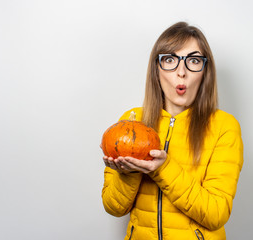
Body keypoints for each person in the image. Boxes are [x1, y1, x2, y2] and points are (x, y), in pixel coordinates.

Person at [101, 21, 243, 240]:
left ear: (205, 71)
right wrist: (128, 172)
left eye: (193, 60)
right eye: (169, 60)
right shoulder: (131, 122)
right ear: (156, 70)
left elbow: (216, 213)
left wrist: (162, 168)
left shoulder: (224, 127)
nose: (181, 72)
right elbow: (113, 208)